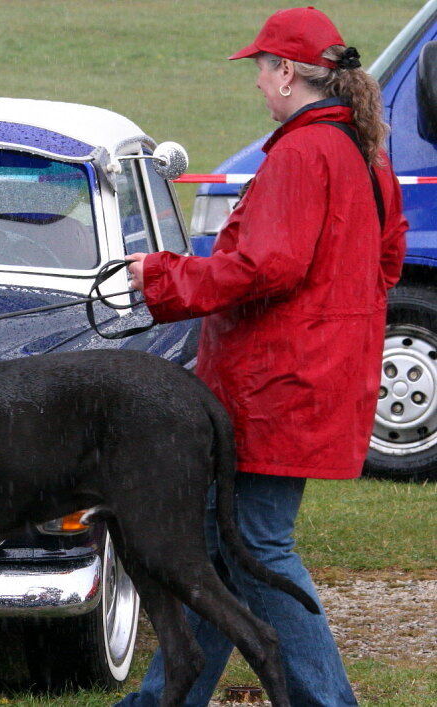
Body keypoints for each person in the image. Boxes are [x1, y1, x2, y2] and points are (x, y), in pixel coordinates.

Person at [115, 6, 407, 706]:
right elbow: (388, 259)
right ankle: (164, 699)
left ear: (286, 73)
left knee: (257, 553)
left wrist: (159, 275)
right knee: (224, 557)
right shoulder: (360, 149)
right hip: (307, 380)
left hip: (277, 389)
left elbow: (261, 268)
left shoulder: (303, 153)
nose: (256, 82)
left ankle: (327, 701)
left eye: (260, 68)